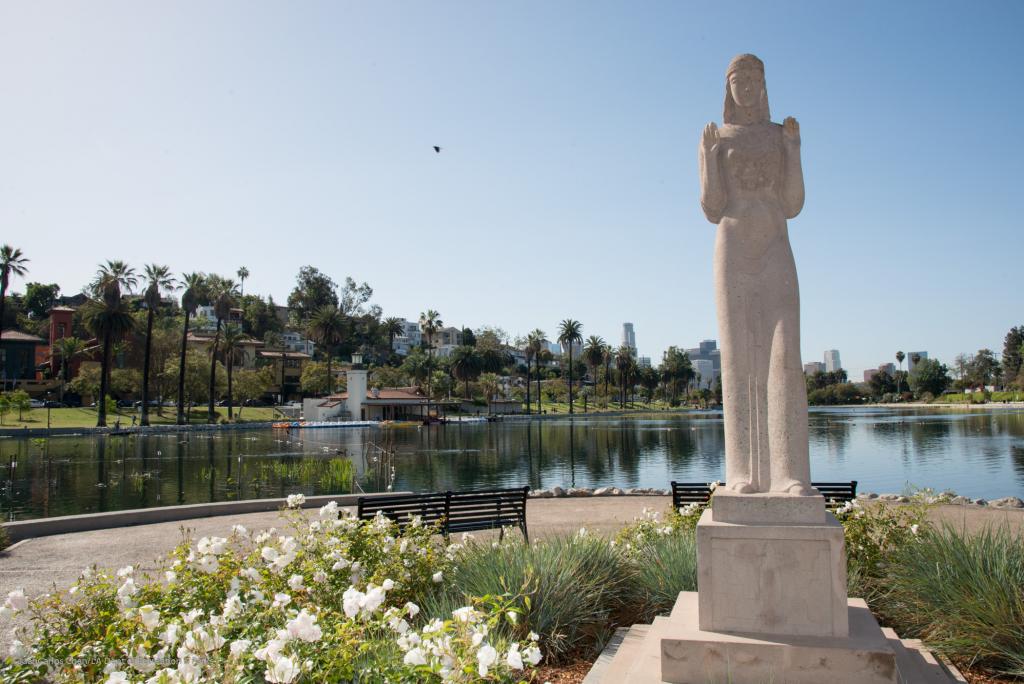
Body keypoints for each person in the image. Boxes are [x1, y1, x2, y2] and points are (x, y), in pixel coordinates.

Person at [698, 54, 812, 496]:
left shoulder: (780, 135)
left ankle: (789, 474)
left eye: (753, 79)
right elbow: (712, 207)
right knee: (737, 358)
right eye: (737, 79)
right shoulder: (717, 136)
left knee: (785, 355)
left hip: (775, 248)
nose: (745, 86)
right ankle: (741, 472)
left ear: (763, 85)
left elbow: (793, 204)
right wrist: (710, 159)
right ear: (728, 87)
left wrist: (794, 151)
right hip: (732, 249)